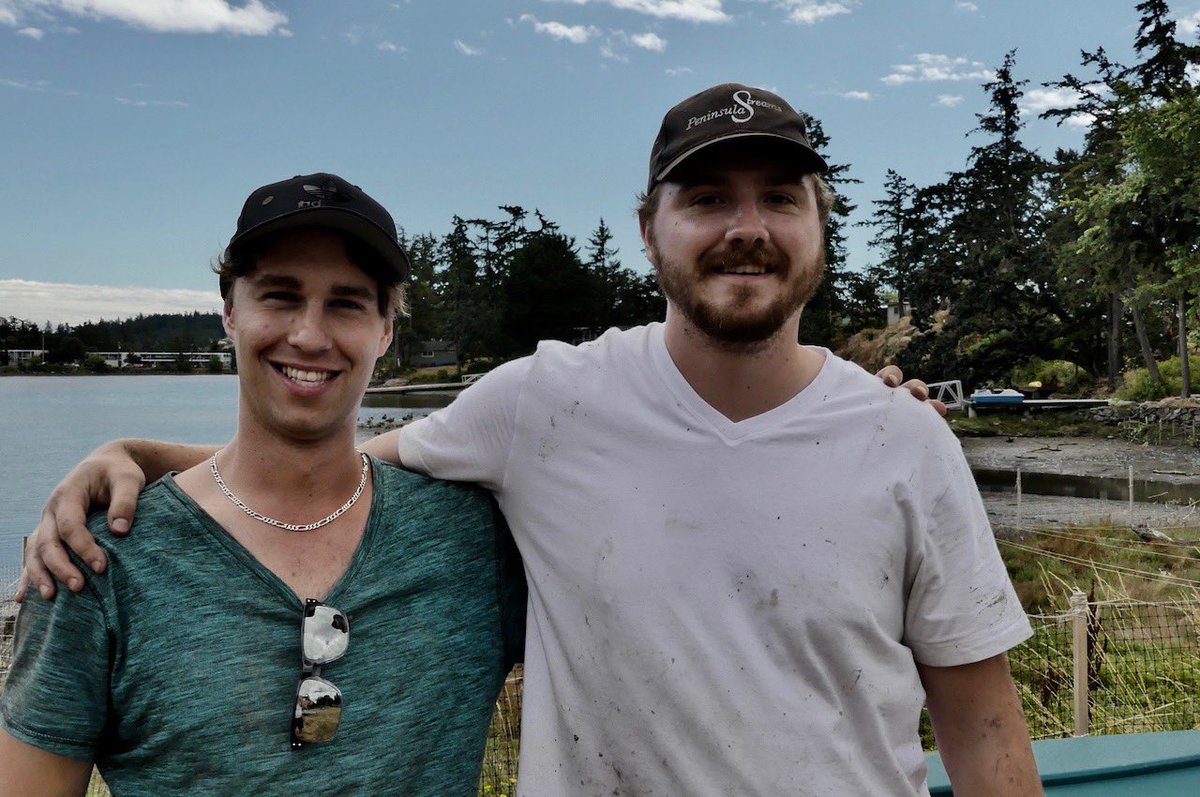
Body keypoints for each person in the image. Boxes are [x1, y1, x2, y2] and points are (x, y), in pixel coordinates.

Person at [21, 84, 1039, 796]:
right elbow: (330, 469)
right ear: (650, 227)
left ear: (822, 222)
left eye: (779, 196)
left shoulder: (905, 441)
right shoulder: (541, 403)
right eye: (707, 197)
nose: (746, 226)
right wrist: (141, 456)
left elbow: (984, 725)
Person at [0, 173, 524, 796]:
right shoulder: (98, 559)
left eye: (347, 302)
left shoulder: (475, 540)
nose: (308, 335)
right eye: (279, 296)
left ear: (386, 331)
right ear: (229, 314)